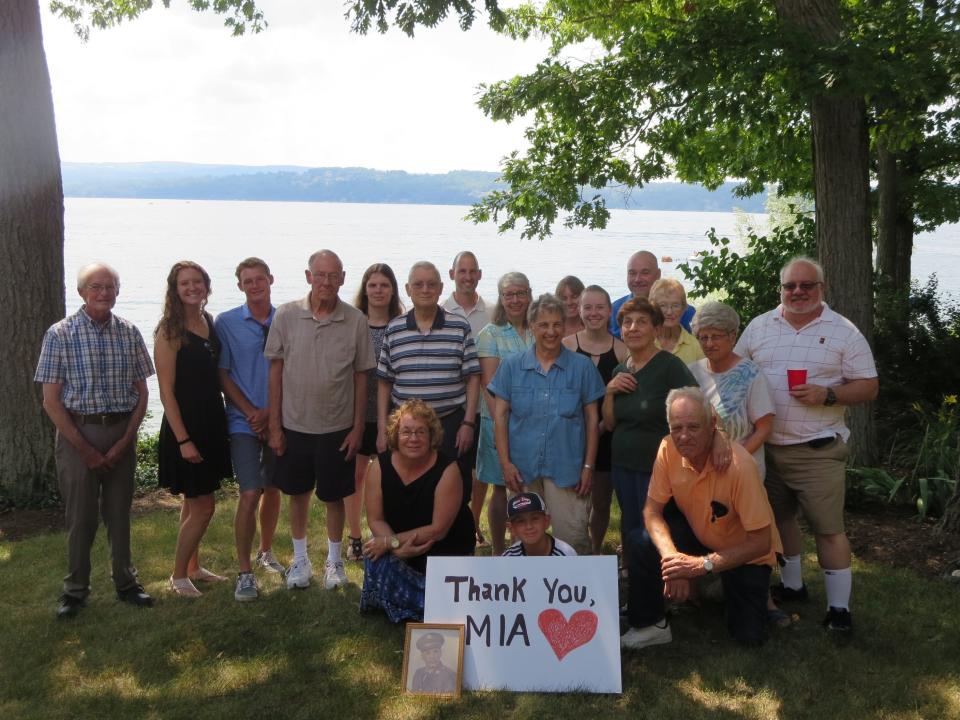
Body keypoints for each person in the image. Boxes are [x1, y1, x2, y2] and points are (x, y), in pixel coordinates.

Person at [735, 257, 878, 633]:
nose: (797, 292)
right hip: (767, 447)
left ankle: (839, 610)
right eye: (790, 286)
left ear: (822, 288)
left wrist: (827, 394)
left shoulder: (844, 331)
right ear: (780, 289)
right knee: (777, 520)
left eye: (806, 285)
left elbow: (869, 385)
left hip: (818, 449)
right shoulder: (759, 327)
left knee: (828, 529)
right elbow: (736, 370)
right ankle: (793, 586)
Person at [36, 262, 155, 618]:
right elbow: (51, 401)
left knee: (119, 514)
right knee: (81, 517)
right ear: (81, 292)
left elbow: (143, 393)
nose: (103, 293)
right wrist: (85, 449)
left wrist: (124, 441)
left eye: (109, 287)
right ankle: (75, 591)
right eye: (95, 287)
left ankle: (126, 583)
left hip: (121, 431)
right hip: (78, 435)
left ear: (117, 292)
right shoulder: (60, 334)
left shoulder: (130, 333)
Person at [621, 388, 782, 650]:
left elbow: (762, 542)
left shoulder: (740, 467)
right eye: (677, 427)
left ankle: (723, 583)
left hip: (746, 550)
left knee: (749, 637)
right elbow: (651, 511)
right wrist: (673, 561)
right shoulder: (667, 448)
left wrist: (699, 567)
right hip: (699, 534)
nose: (683, 436)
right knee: (639, 540)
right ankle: (650, 624)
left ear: (712, 426)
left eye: (694, 427)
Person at [266, 249, 375, 591]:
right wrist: (274, 426)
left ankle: (335, 560)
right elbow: (275, 372)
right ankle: (300, 559)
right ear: (308, 276)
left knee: (334, 497)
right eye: (320, 275)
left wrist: (358, 427)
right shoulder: (285, 315)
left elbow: (361, 377)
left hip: (338, 428)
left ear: (343, 278)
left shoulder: (356, 320)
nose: (326, 282)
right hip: (294, 425)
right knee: (297, 495)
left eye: (333, 275)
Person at [488, 293, 605, 556]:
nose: (550, 331)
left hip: (568, 469)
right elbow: (501, 417)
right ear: (532, 327)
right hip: (522, 469)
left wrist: (588, 467)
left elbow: (592, 419)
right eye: (543, 325)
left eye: (556, 324)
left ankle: (577, 592)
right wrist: (505, 464)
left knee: (573, 539)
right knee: (525, 541)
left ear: (564, 326)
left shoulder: (582, 367)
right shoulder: (511, 367)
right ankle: (525, 594)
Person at [155, 260, 233, 598]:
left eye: (197, 282)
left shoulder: (208, 322)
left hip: (211, 421)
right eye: (184, 283)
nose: (192, 287)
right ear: (175, 289)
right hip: (184, 427)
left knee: (193, 501)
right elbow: (166, 390)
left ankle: (193, 567)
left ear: (206, 285)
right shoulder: (168, 330)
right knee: (204, 506)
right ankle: (177, 575)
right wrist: (183, 439)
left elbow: (217, 376)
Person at [360, 400, 475, 622]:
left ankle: (422, 605)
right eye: (406, 432)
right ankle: (415, 606)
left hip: (443, 548)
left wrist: (389, 543)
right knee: (373, 554)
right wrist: (393, 547)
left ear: (432, 437)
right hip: (399, 546)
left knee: (382, 548)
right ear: (396, 435)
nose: (413, 438)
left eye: (421, 432)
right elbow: (375, 519)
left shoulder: (449, 470)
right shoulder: (378, 467)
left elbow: (438, 530)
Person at [377, 261, 481, 503]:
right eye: (418, 284)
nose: (425, 289)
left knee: (455, 490)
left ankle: (452, 537)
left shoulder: (459, 326)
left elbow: (473, 377)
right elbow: (384, 382)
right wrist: (383, 428)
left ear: (441, 287)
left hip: (450, 423)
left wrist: (468, 423)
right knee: (406, 488)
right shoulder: (394, 330)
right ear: (407, 289)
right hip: (405, 425)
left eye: (431, 284)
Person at [601, 297, 699, 553]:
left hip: (658, 468)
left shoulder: (669, 366)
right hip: (623, 466)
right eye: (627, 322)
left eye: (641, 322)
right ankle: (636, 582)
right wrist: (609, 391)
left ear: (656, 330)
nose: (633, 328)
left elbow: (697, 408)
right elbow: (609, 423)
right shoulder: (621, 370)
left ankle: (669, 584)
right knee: (632, 528)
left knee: (658, 532)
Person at [215, 257, 285, 602]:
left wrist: (271, 413)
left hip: (279, 419)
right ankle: (244, 572)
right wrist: (251, 412)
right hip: (243, 421)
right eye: (248, 281)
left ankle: (266, 551)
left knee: (273, 489)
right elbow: (223, 374)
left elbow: (292, 369)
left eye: (260, 279)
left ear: (271, 280)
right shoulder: (226, 322)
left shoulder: (287, 319)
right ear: (240, 285)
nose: (255, 285)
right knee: (249, 492)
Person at [562, 285, 627, 554]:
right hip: (571, 438)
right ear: (579, 311)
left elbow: (626, 401)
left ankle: (596, 551)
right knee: (572, 504)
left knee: (600, 502)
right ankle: (569, 551)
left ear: (610, 311)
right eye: (587, 307)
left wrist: (600, 428)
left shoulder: (623, 351)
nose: (594, 313)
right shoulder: (566, 346)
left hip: (609, 436)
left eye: (600, 307)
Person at [346, 263, 404, 562]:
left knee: (388, 478)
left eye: (384, 285)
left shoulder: (402, 324)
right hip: (357, 413)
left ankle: (386, 534)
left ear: (393, 289)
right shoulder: (353, 322)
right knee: (355, 478)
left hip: (393, 414)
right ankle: (354, 537)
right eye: (373, 285)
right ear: (365, 289)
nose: (378, 290)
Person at [475, 272, 535, 555]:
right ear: (500, 298)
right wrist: (505, 421)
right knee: (501, 487)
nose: (515, 299)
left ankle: (523, 546)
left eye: (520, 293)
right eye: (508, 294)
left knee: (527, 485)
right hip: (497, 421)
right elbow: (489, 383)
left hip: (533, 424)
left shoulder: (538, 329)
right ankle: (500, 550)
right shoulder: (490, 334)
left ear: (529, 294)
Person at [689, 301, 775, 477]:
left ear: (733, 336)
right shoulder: (692, 373)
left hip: (742, 471)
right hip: (701, 472)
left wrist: (734, 458)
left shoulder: (750, 374)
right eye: (703, 337)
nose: (709, 343)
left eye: (716, 336)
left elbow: (764, 428)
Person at [442, 251, 492, 549]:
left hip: (486, 403)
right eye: (462, 271)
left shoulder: (491, 311)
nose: (468, 276)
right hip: (452, 403)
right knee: (454, 469)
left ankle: (473, 523)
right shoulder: (440, 310)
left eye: (473, 271)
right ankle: (452, 521)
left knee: (481, 469)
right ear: (452, 274)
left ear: (480, 274)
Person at [609, 251, 694, 338]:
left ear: (658, 274)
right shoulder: (613, 311)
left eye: (645, 273)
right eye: (632, 273)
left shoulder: (686, 313)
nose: (637, 279)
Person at [502, 491, 577, 557]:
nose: (529, 526)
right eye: (521, 521)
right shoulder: (509, 557)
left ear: (546, 521)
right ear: (511, 528)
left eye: (535, 519)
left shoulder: (566, 554)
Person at [649, 278, 704, 364]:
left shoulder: (696, 346)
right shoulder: (643, 341)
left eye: (675, 305)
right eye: (663, 305)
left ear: (683, 308)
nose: (669, 312)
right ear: (653, 308)